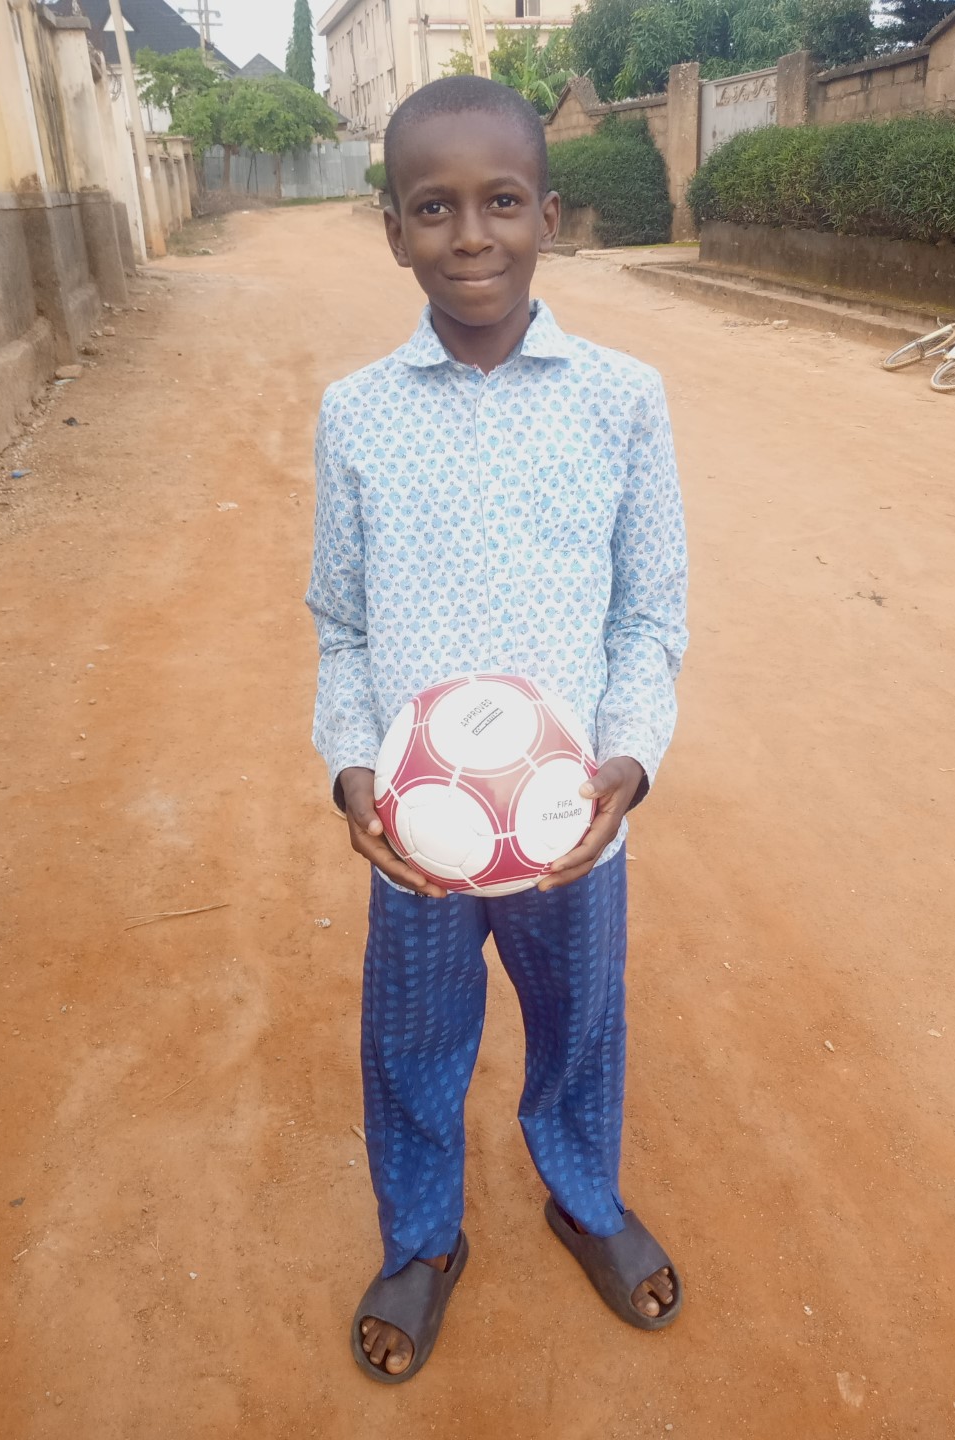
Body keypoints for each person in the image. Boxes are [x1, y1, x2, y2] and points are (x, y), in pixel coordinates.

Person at [306, 75, 688, 1384]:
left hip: (569, 822)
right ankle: (422, 1240)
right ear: (394, 232)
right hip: (419, 836)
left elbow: (649, 615)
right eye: (435, 207)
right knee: (412, 1039)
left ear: (550, 217)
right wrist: (355, 771)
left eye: (502, 202)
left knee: (581, 1025)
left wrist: (627, 762)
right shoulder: (357, 413)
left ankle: (584, 1196)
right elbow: (341, 626)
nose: (471, 234)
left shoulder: (622, 399)